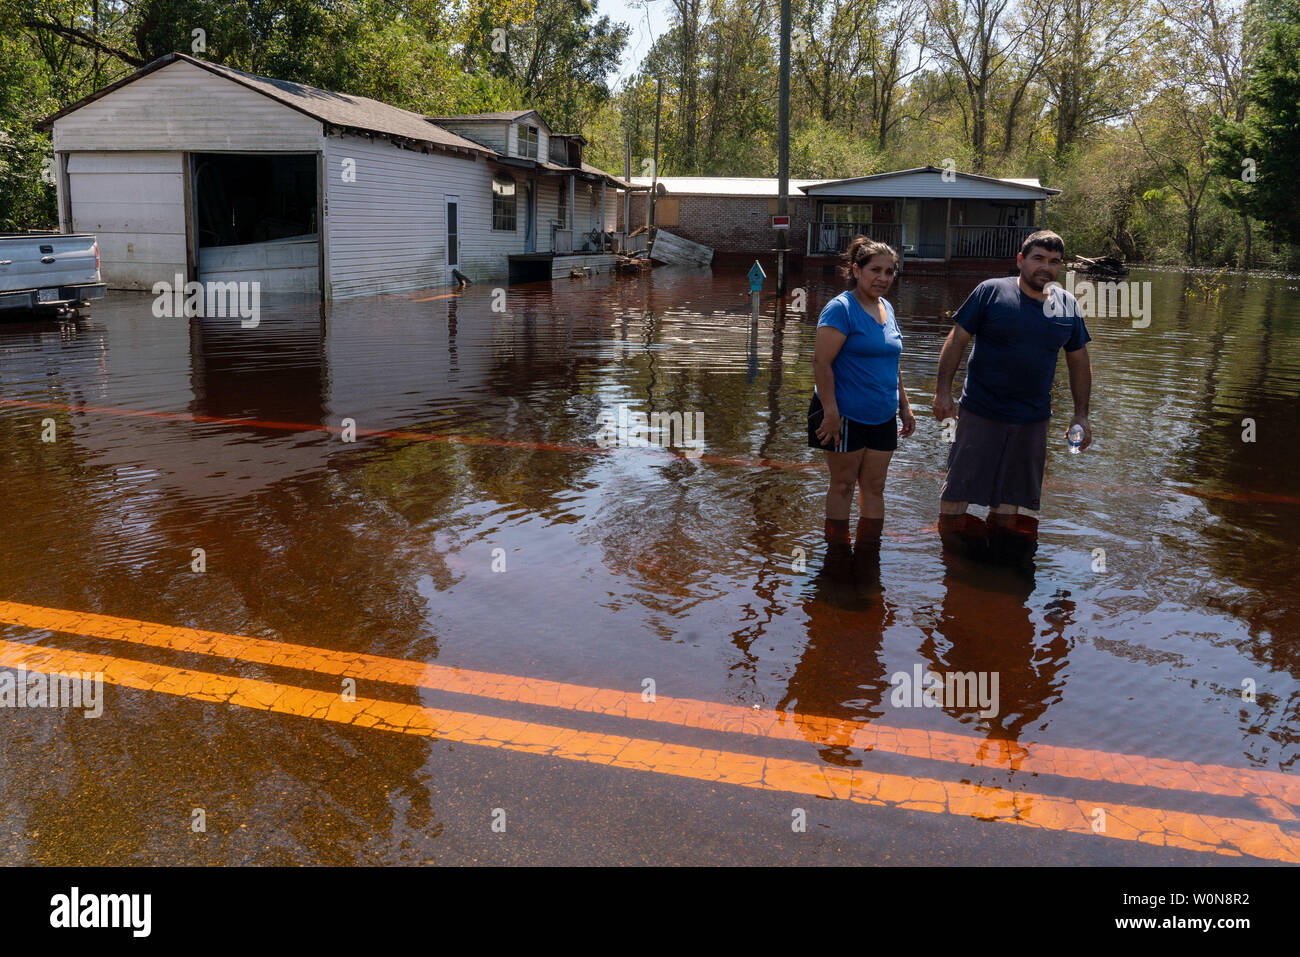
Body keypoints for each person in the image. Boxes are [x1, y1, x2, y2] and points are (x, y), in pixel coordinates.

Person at [930, 229, 1092, 565]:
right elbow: (957, 340)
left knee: (1011, 500)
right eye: (1038, 259)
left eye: (1054, 262)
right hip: (980, 410)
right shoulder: (991, 292)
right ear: (1021, 260)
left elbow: (1078, 362)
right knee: (959, 490)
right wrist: (942, 392)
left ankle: (998, 567)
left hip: (1031, 418)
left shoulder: (1067, 306)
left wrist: (1081, 415)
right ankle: (953, 563)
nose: (1045, 267)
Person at [809, 236, 916, 576]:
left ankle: (869, 555)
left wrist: (905, 405)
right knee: (842, 485)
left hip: (882, 413)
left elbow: (891, 361)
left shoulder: (888, 309)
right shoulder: (841, 308)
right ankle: (837, 555)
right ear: (856, 270)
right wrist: (830, 412)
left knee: (875, 487)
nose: (882, 278)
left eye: (889, 272)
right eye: (875, 270)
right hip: (844, 414)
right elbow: (820, 362)